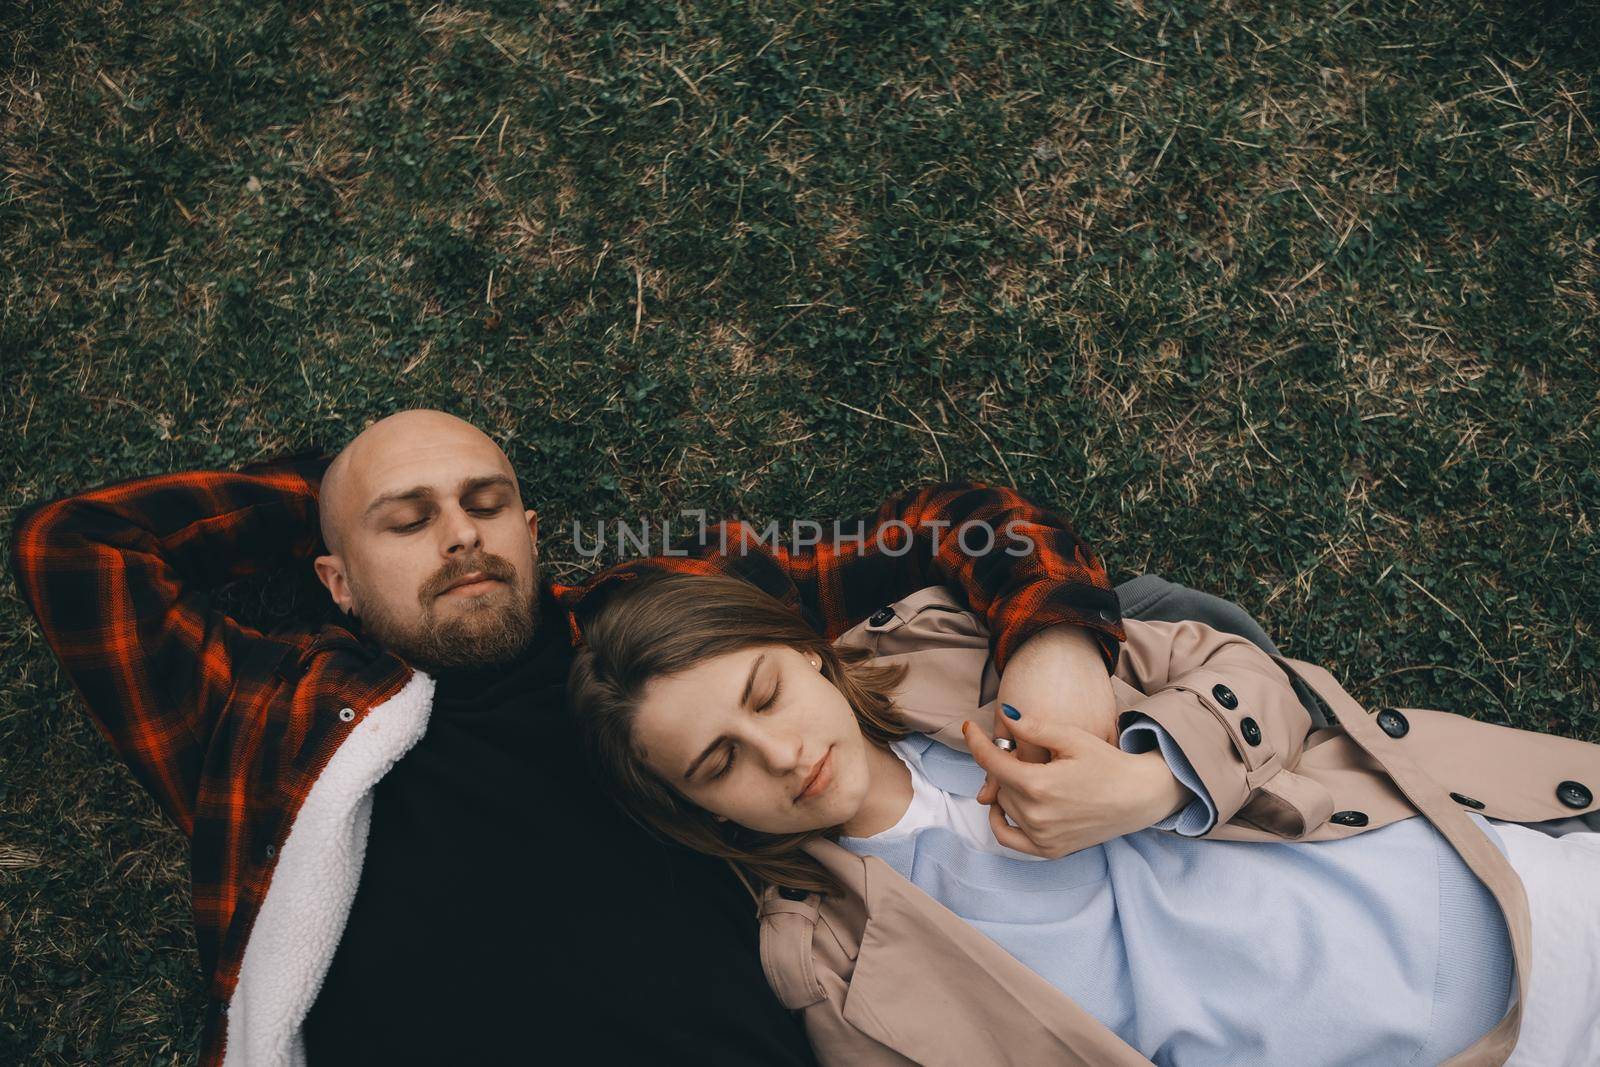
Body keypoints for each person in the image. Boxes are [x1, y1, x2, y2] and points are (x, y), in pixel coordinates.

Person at [9, 408, 1167, 1065]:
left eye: (484, 499)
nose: (459, 534)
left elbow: (963, 526)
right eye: (406, 523)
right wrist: (339, 483)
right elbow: (75, 549)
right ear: (333, 583)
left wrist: (1055, 651)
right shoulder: (268, 719)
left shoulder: (665, 623)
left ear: (531, 523)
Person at [566, 571, 1600, 1066]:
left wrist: (1156, 781)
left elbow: (1244, 668)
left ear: (805, 652)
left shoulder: (950, 641)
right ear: (700, 810)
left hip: (1518, 894)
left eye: (762, 695)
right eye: (720, 762)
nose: (781, 753)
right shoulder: (836, 976)